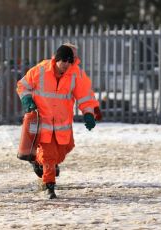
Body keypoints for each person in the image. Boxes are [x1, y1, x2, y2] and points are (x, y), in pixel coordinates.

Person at [16, 44, 100, 199]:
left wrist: (89, 113)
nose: (67, 66)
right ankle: (49, 186)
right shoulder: (40, 70)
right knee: (49, 156)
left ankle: (36, 160)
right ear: (56, 59)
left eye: (70, 62)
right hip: (43, 122)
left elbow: (86, 96)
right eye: (64, 62)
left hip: (63, 124)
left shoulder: (76, 75)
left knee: (64, 150)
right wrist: (27, 100)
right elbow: (23, 85)